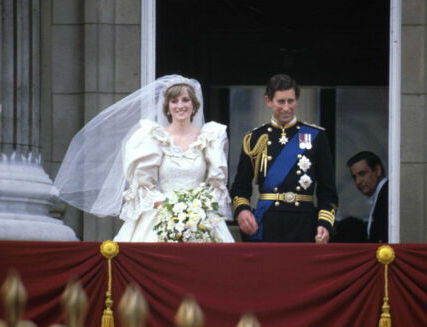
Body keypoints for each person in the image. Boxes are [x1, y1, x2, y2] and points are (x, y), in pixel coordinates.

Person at [54, 75, 234, 242]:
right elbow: (143, 185)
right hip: (161, 213)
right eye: (174, 101)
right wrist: (168, 208)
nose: (180, 105)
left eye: (185, 100)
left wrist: (197, 209)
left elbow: (216, 186)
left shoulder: (211, 137)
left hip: (201, 218)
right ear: (167, 107)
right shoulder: (152, 137)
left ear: (194, 105)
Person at [230, 74, 338, 242]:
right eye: (281, 102)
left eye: (291, 101)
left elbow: (328, 191)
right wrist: (243, 210)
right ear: (268, 101)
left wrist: (324, 223)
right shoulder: (255, 138)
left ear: (297, 100)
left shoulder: (315, 136)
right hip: (268, 223)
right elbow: (240, 187)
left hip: (304, 224)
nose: (287, 107)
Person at [347, 151, 388, 243]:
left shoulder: (388, 195)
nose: (358, 181)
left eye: (362, 174)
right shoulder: (381, 194)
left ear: (378, 170)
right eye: (354, 177)